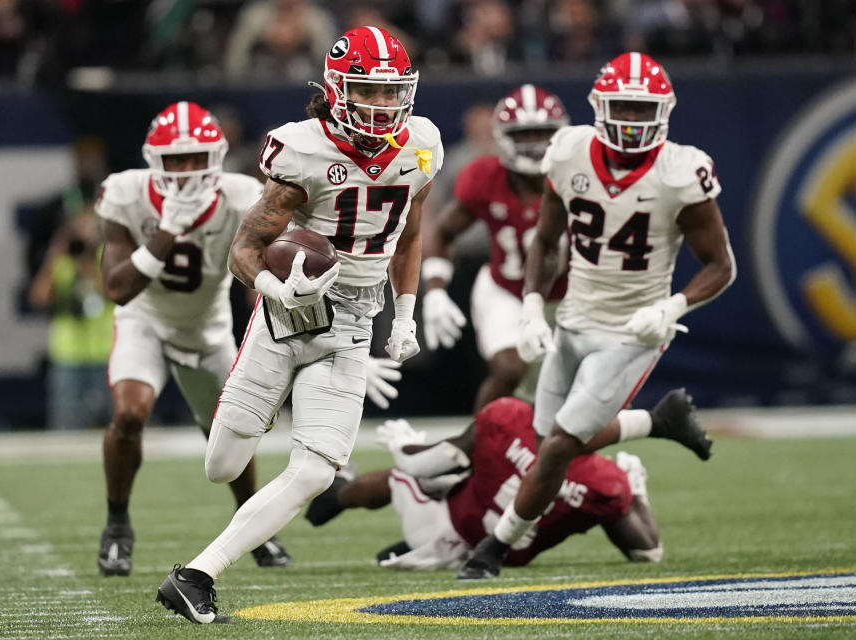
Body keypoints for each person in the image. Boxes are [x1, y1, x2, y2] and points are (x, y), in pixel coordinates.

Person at [156, 26, 444, 623]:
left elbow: (410, 232)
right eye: (370, 91)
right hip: (285, 315)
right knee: (223, 467)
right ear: (339, 90)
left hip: (355, 320)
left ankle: (195, 576)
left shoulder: (421, 145)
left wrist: (407, 312)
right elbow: (245, 247)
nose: (385, 106)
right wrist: (273, 285)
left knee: (314, 469)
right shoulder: (303, 150)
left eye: (394, 94)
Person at [458, 52, 736, 580]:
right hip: (574, 318)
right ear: (599, 108)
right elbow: (545, 239)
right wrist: (534, 307)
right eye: (622, 108)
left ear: (664, 112)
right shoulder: (567, 152)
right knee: (545, 446)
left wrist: (673, 306)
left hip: (634, 331)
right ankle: (656, 426)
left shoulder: (682, 171)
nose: (631, 121)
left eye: (642, 110)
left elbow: (721, 265)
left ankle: (494, 549)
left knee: (560, 445)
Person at [95, 101, 299, 575]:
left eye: (196, 159)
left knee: (230, 435)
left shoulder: (241, 194)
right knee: (128, 413)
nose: (187, 171)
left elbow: (265, 267)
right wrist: (167, 230)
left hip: (207, 328)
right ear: (154, 161)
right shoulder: (125, 193)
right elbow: (118, 289)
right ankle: (117, 527)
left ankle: (254, 530)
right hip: (145, 320)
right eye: (176, 160)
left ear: (217, 157)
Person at [305, 396, 666, 570]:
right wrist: (635, 492)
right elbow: (647, 551)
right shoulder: (606, 481)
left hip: (445, 528)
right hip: (502, 555)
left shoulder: (510, 418)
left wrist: (403, 443)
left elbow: (419, 463)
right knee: (463, 476)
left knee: (400, 477)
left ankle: (336, 497)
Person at [422, 84, 569, 411]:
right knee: (510, 369)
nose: (533, 144)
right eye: (524, 134)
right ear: (503, 137)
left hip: (567, 295)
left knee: (576, 386)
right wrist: (434, 288)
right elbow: (444, 232)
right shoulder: (485, 176)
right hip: (507, 288)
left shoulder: (577, 176)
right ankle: (483, 450)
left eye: (541, 133)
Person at [28, 209, 114, 430]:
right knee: (67, 426)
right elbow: (38, 298)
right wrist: (53, 256)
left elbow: (112, 291)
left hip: (105, 353)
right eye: (79, 229)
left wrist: (87, 263)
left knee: (114, 426)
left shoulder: (107, 255)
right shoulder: (61, 261)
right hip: (68, 355)